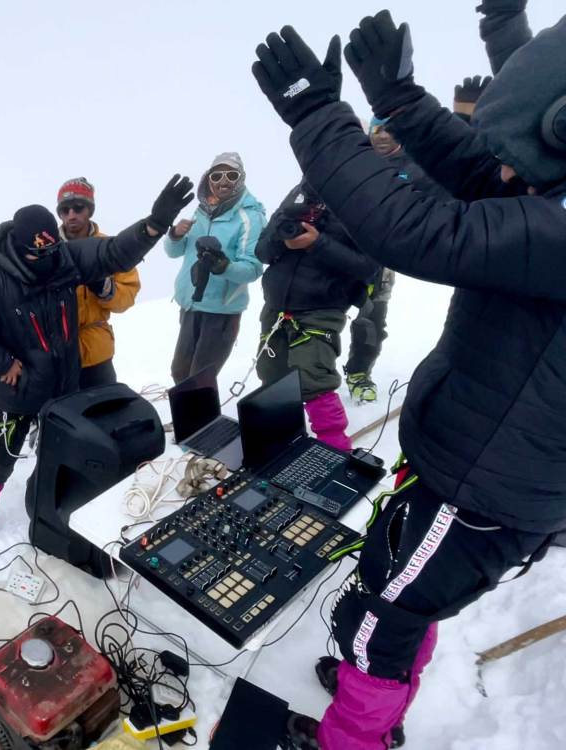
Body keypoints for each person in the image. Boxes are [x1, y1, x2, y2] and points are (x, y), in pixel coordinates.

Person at [252, 12, 566, 749]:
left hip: (479, 490)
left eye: (522, 159)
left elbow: (418, 231)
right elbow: (481, 173)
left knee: (385, 617)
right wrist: (396, 97)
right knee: (398, 602)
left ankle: (354, 736)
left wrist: (316, 116)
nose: (507, 177)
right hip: (471, 459)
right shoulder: (549, 202)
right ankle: (377, 698)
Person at [0, 177, 195, 551]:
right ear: (18, 246)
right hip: (18, 392)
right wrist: (2, 361)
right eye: (37, 255)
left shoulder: (64, 258)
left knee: (67, 453)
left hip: (65, 387)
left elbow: (113, 253)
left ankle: (57, 512)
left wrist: (154, 225)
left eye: (50, 253)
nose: (46, 262)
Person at [255, 182, 379, 450]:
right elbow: (261, 251)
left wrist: (317, 243)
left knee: (314, 380)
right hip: (276, 306)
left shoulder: (363, 198)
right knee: (271, 374)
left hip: (321, 307)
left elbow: (369, 267)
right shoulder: (298, 194)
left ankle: (335, 453)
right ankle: (281, 444)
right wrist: (282, 233)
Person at [342, 118, 451, 404]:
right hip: (337, 249)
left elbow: (442, 204)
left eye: (390, 129)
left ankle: (358, 373)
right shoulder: (355, 159)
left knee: (371, 319)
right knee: (320, 311)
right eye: (376, 130)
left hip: (382, 259)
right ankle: (310, 374)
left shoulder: (417, 168)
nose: (382, 136)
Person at [164, 153, 266, 385]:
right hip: (190, 305)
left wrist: (223, 266)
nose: (224, 181)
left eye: (232, 175)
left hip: (222, 310)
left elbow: (253, 268)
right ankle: (189, 421)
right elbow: (174, 252)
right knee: (180, 372)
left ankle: (202, 421)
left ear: (241, 179)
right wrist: (175, 235)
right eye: (217, 175)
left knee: (201, 377)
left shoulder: (249, 217)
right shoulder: (201, 211)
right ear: (209, 178)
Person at [55, 177, 142, 388]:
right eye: (65, 210)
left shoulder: (110, 248)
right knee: (64, 415)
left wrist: (106, 289)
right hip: (57, 353)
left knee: (106, 413)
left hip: (98, 352)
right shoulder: (49, 249)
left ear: (90, 210)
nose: (71, 215)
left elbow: (128, 295)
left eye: (78, 208)